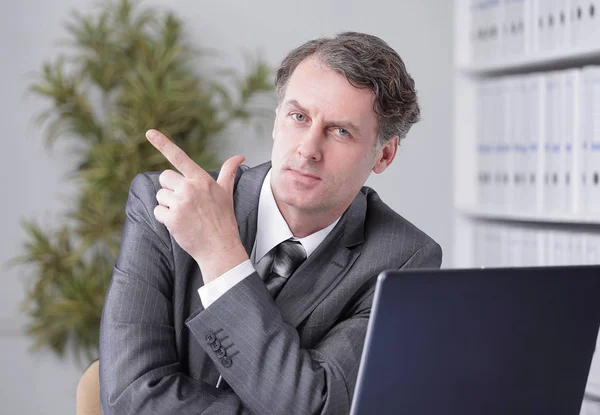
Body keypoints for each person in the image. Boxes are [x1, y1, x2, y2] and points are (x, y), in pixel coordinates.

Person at [99, 31, 442, 415]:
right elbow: (129, 401)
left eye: (341, 131)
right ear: (277, 120)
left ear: (385, 154)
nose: (308, 150)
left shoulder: (403, 259)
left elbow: (316, 407)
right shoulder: (164, 205)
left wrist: (222, 259)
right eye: (299, 117)